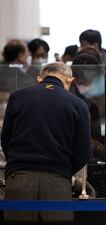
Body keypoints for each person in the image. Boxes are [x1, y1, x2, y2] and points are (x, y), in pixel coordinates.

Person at [1, 62, 91, 221]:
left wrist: (18, 163)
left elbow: (6, 138)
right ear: (70, 80)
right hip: (58, 182)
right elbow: (83, 151)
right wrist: (65, 170)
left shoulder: (17, 97)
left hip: (19, 179)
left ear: (39, 78)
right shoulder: (79, 105)